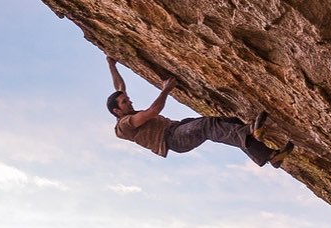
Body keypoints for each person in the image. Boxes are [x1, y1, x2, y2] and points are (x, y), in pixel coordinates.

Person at [106, 56, 294, 168]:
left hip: (176, 128)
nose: (129, 101)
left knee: (228, 123)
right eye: (124, 102)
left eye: (127, 99)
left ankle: (270, 156)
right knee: (207, 126)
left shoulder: (124, 110)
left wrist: (111, 64)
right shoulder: (124, 125)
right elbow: (153, 111)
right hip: (172, 139)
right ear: (117, 111)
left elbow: (119, 87)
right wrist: (166, 89)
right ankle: (250, 131)